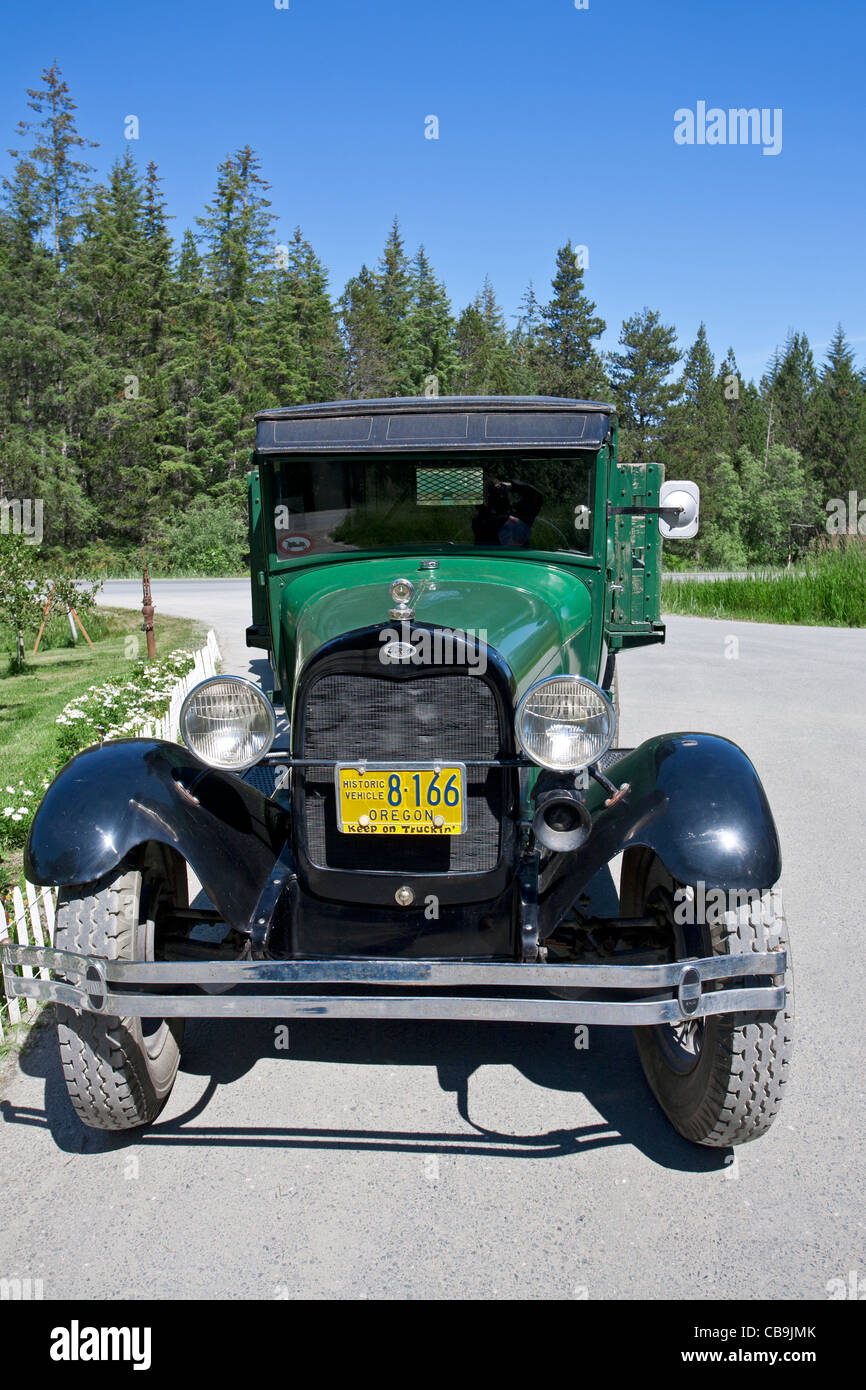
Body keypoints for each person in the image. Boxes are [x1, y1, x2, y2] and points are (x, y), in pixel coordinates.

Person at [471, 478, 543, 547]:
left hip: (512, 558)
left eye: (500, 491)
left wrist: (511, 486)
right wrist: (511, 486)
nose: (499, 495)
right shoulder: (483, 521)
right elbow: (535, 496)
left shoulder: (519, 514)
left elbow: (536, 497)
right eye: (493, 493)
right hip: (511, 558)